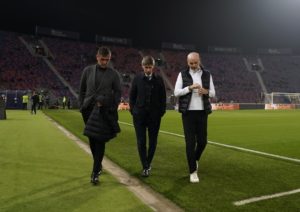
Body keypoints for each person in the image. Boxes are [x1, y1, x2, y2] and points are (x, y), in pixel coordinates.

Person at [79, 46, 121, 185]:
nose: (104, 62)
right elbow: (82, 90)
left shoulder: (114, 74)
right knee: (92, 139)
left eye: (107, 60)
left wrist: (108, 105)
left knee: (100, 140)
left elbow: (118, 94)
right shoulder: (87, 71)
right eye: (102, 59)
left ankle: (95, 172)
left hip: (103, 111)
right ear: (97, 57)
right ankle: (98, 164)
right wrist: (82, 106)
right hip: (88, 110)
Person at [174, 52, 215, 183]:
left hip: (202, 112)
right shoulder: (182, 74)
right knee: (190, 143)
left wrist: (206, 91)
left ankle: (194, 159)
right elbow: (176, 92)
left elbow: (213, 92)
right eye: (190, 63)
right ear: (187, 62)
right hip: (188, 113)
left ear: (199, 61)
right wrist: (189, 88)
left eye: (195, 63)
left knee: (203, 142)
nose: (193, 65)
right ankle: (193, 171)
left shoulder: (207, 74)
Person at [129, 56, 166, 177]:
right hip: (139, 115)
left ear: (153, 67)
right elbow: (132, 96)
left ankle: (148, 163)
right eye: (146, 67)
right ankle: (145, 166)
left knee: (153, 142)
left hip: (154, 117)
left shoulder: (159, 80)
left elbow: (163, 98)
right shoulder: (137, 79)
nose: (148, 69)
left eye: (150, 67)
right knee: (141, 141)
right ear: (142, 66)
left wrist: (161, 112)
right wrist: (133, 111)